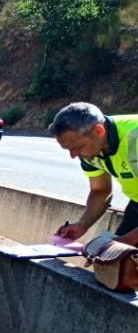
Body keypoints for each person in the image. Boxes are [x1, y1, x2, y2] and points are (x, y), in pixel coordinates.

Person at [50, 103, 138, 246]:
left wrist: (125, 242)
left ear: (98, 131)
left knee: (121, 253)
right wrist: (82, 225)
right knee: (115, 261)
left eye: (77, 148)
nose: (73, 155)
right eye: (69, 150)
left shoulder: (135, 137)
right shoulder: (91, 150)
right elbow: (100, 190)